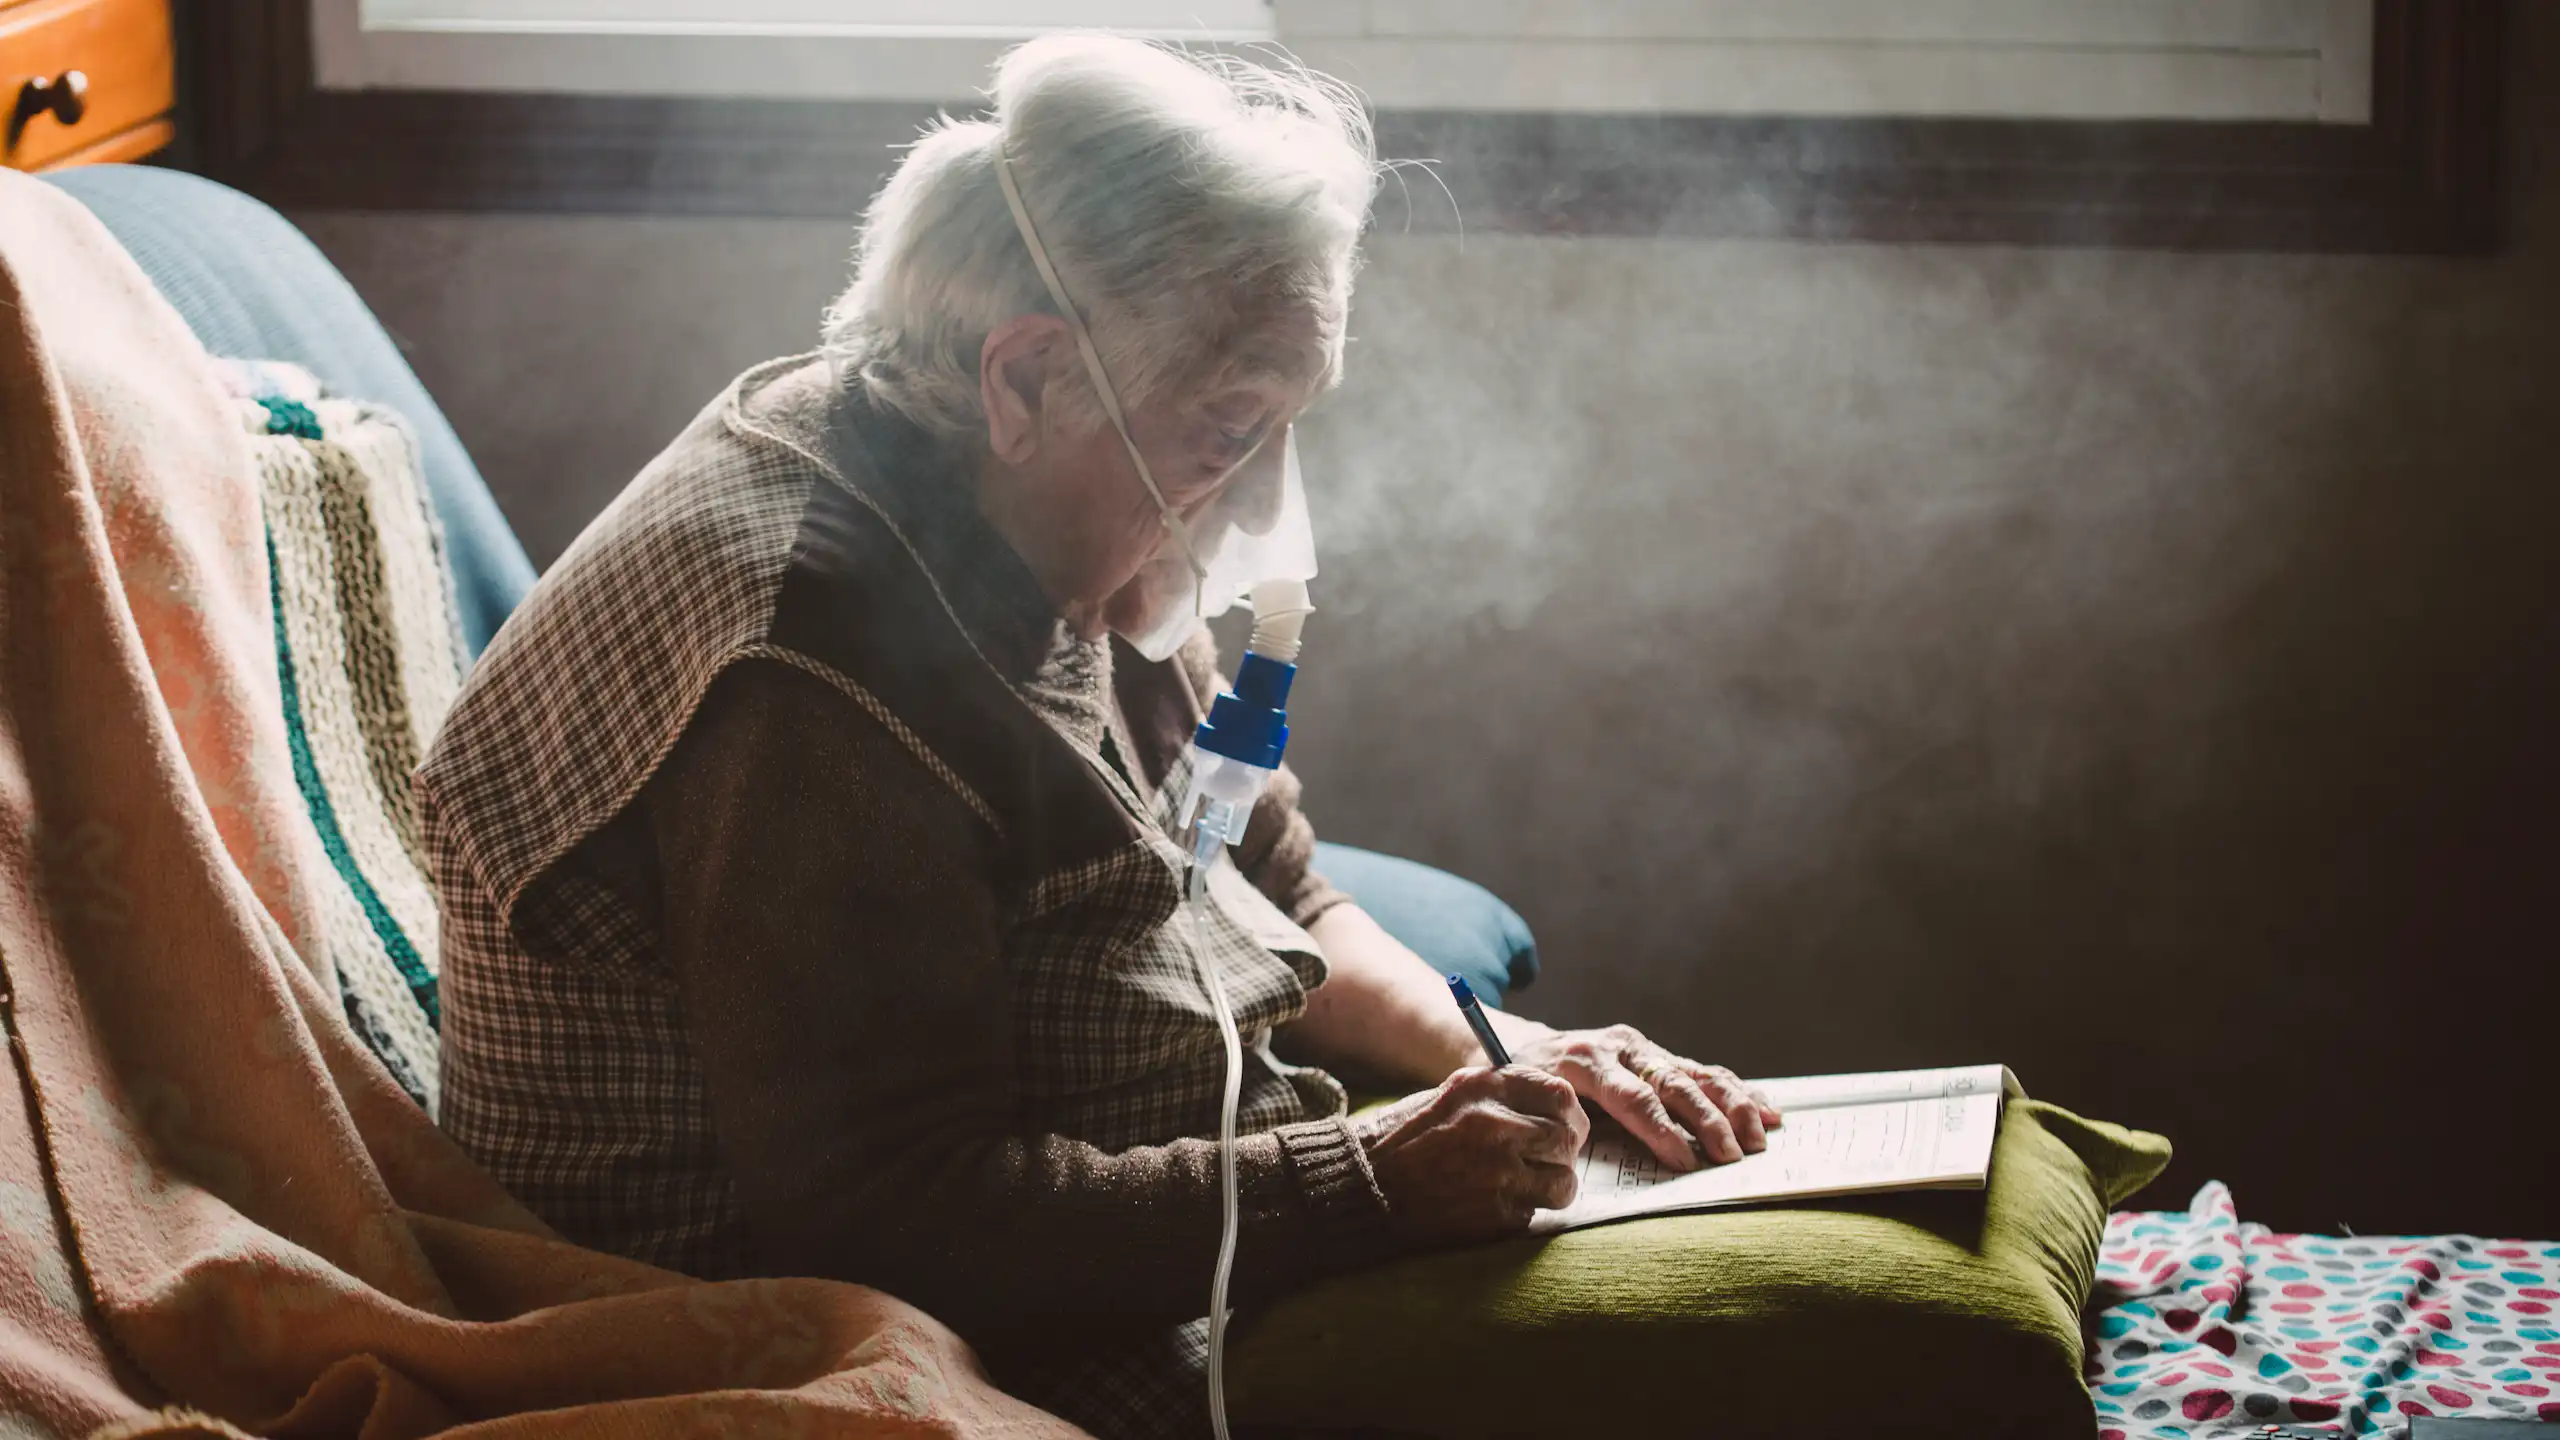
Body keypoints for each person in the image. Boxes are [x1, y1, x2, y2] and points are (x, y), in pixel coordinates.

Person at [419, 34, 1777, 1439]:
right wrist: (1374, 1184)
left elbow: (1262, 866)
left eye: (1285, 425)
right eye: (1232, 428)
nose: (1262, 510)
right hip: (807, 1321)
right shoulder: (810, 685)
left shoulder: (1039, 503)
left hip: (1104, 1205)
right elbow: (899, 1222)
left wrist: (1507, 1054)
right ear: (1026, 379)